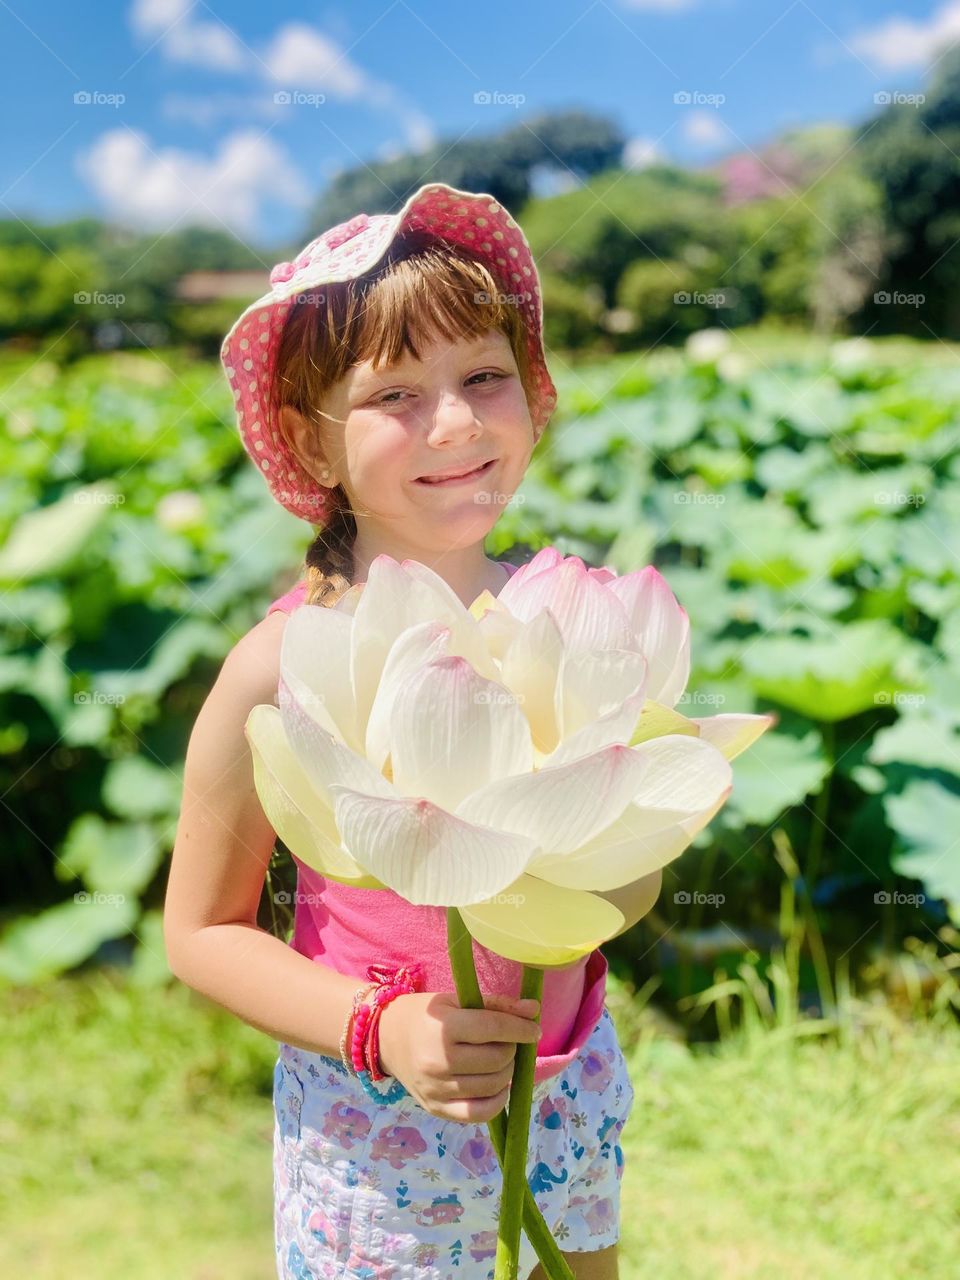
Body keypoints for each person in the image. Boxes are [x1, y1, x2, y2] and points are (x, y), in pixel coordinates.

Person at [163, 183, 662, 1280]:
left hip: (563, 1082)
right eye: (395, 391)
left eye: (484, 374)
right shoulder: (280, 660)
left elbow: (618, 888)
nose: (455, 421)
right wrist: (377, 1028)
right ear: (313, 441)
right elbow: (199, 930)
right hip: (374, 1125)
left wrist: (620, 863)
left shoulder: (566, 614)